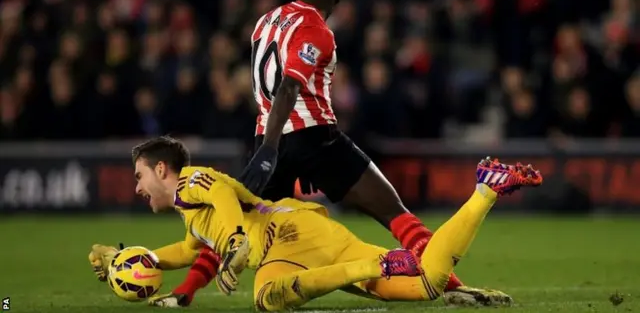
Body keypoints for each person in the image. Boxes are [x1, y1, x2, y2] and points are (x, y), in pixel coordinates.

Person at [239, 0, 508, 304]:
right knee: (396, 214)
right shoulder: (317, 30)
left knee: (245, 231)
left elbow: (268, 89)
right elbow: (289, 88)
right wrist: (272, 153)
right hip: (310, 138)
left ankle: (185, 290)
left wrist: (273, 150)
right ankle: (453, 288)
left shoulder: (264, 22)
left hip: (271, 134)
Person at [89, 136, 543, 309]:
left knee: (266, 300)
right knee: (425, 284)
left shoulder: (192, 182)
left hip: (286, 242)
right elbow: (187, 251)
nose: (137, 187)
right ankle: (486, 189)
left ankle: (371, 268)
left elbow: (225, 195)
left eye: (140, 176)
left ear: (162, 170)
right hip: (314, 238)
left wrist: (233, 242)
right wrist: (135, 260)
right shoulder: (192, 218)